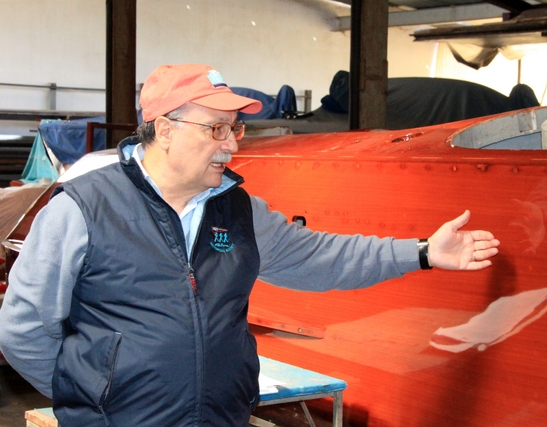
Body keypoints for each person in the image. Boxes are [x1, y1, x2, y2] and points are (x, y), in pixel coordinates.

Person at [0, 64, 500, 427]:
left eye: (235, 127)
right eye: (216, 128)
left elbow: (321, 257)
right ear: (166, 130)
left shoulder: (238, 210)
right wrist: (94, 398)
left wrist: (422, 253)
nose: (233, 144)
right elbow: (23, 330)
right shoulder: (84, 209)